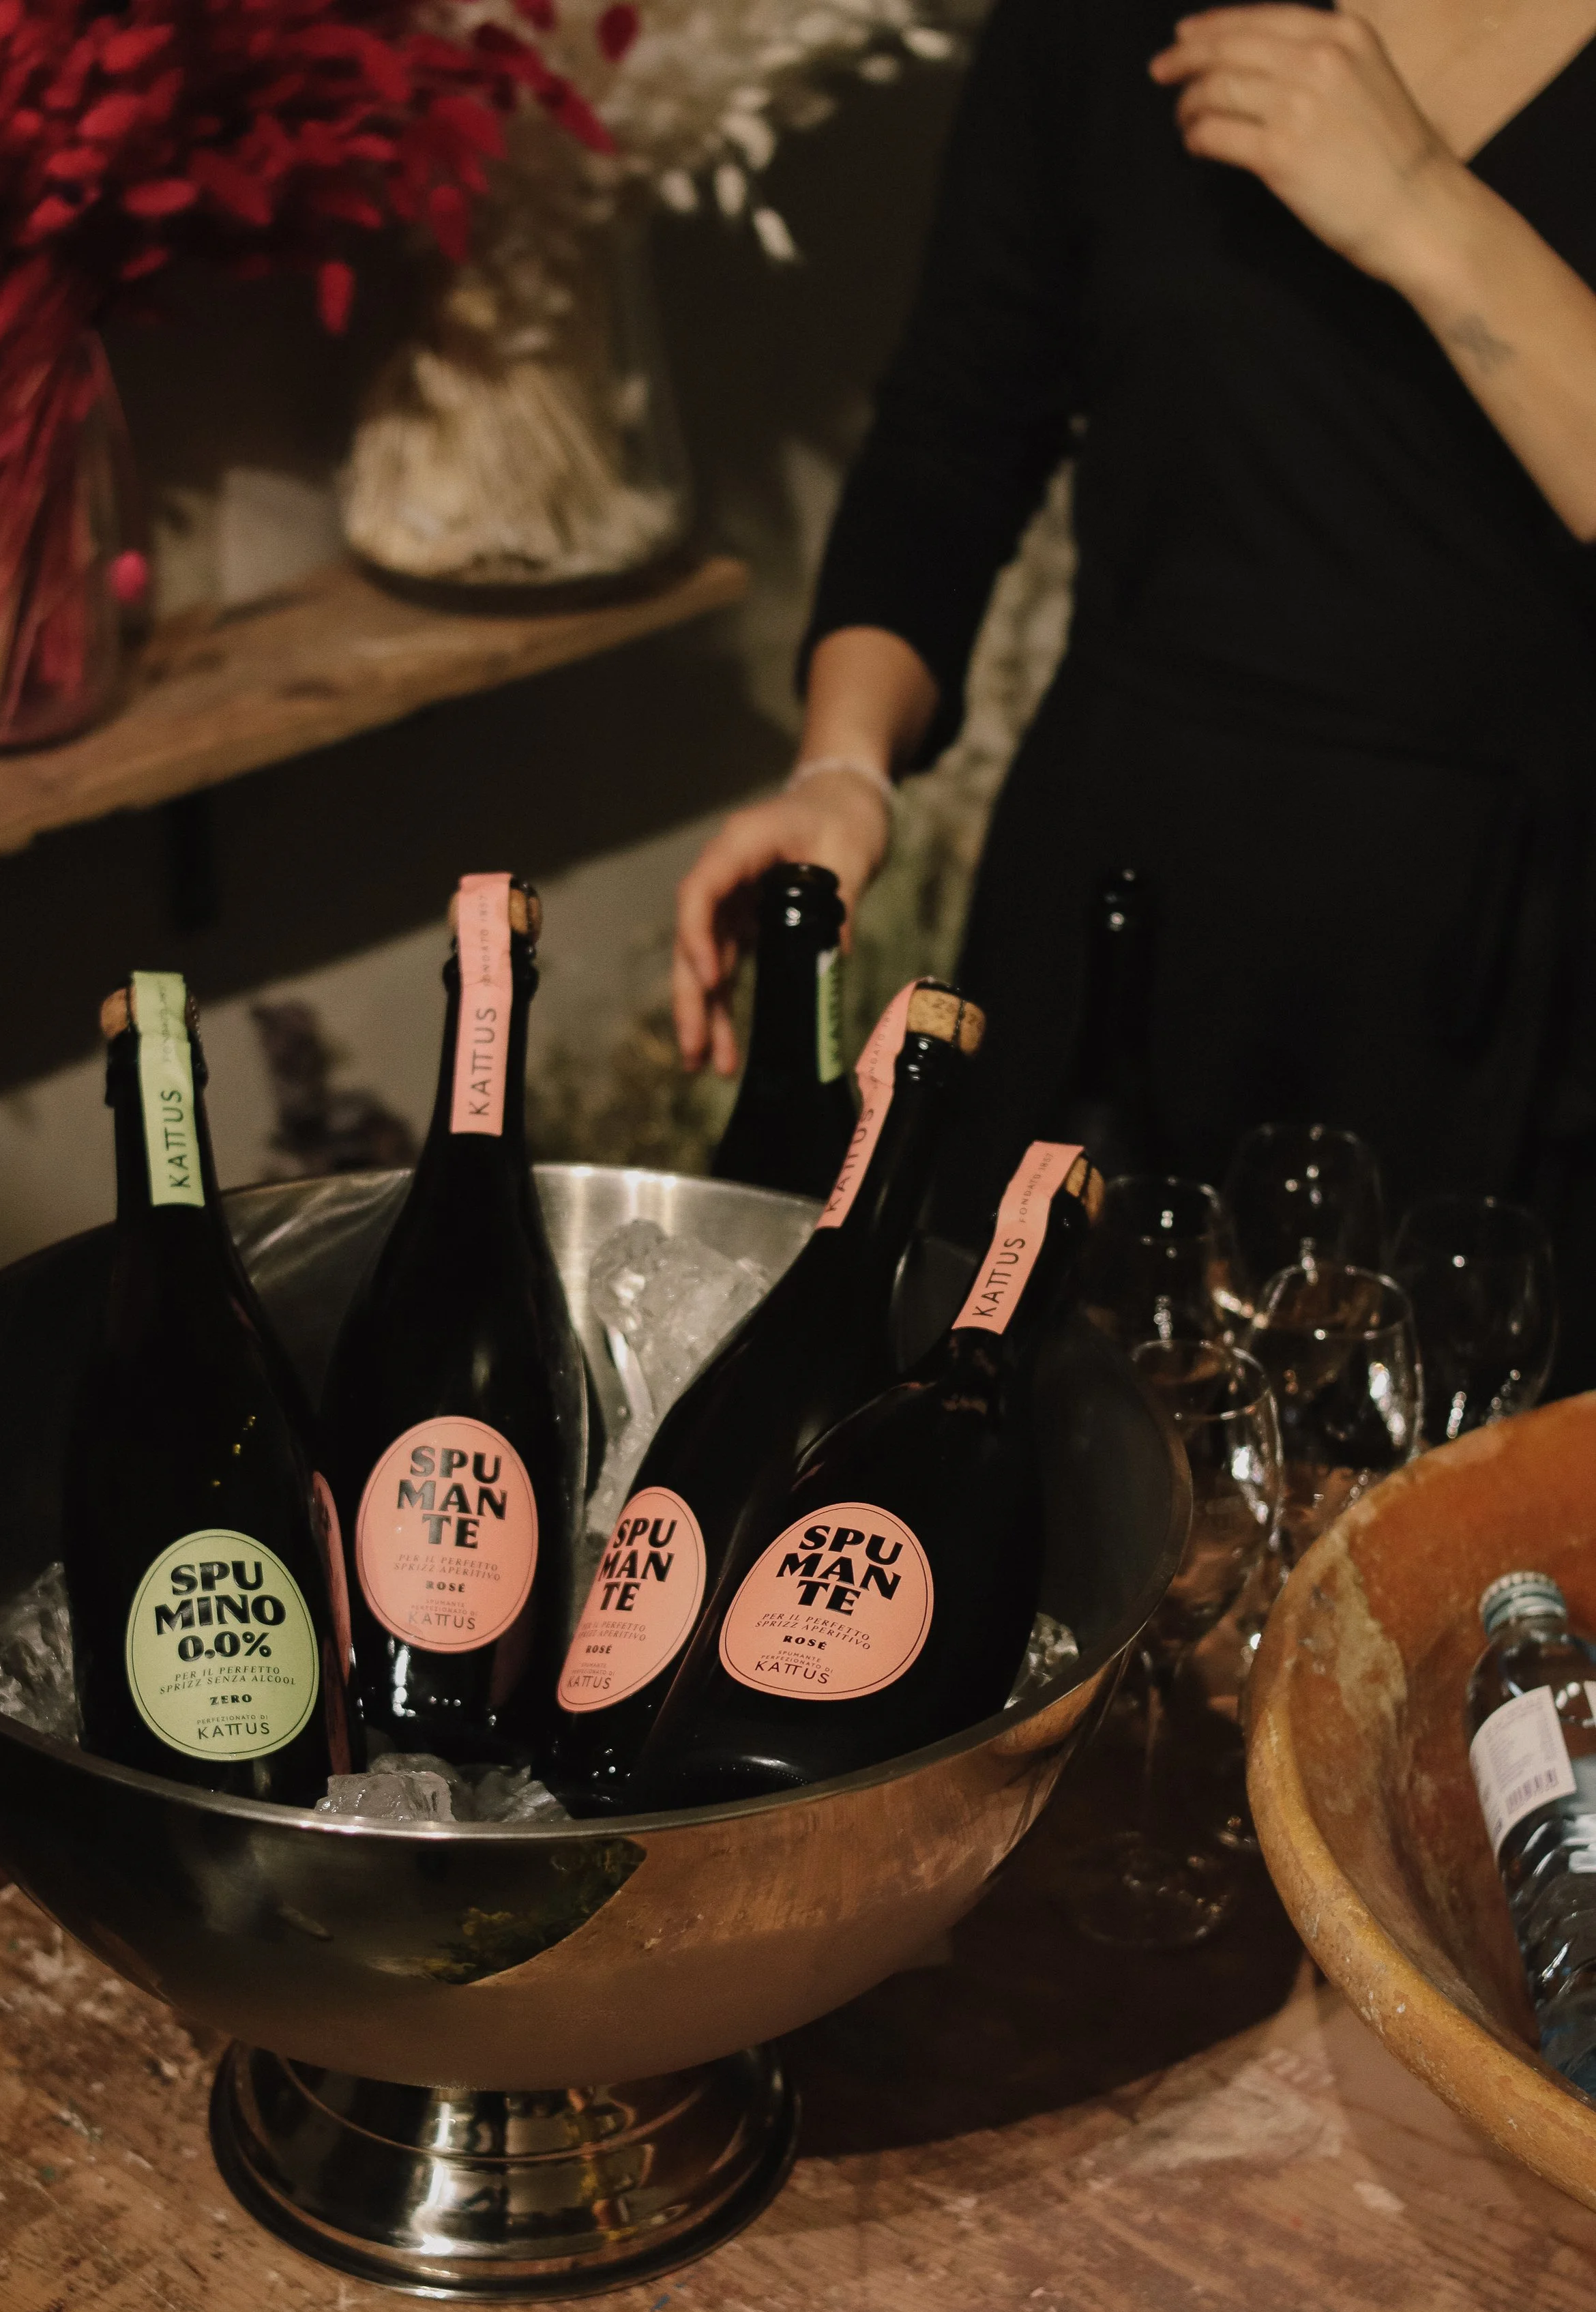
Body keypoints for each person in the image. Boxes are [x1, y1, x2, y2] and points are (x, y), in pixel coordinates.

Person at [670, 0, 1596, 1369]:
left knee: (1446, 1548)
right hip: (1122, 926)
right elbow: (954, 425)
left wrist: (1417, 205)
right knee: (1031, 1478)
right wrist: (841, 766)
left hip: (1519, 960)